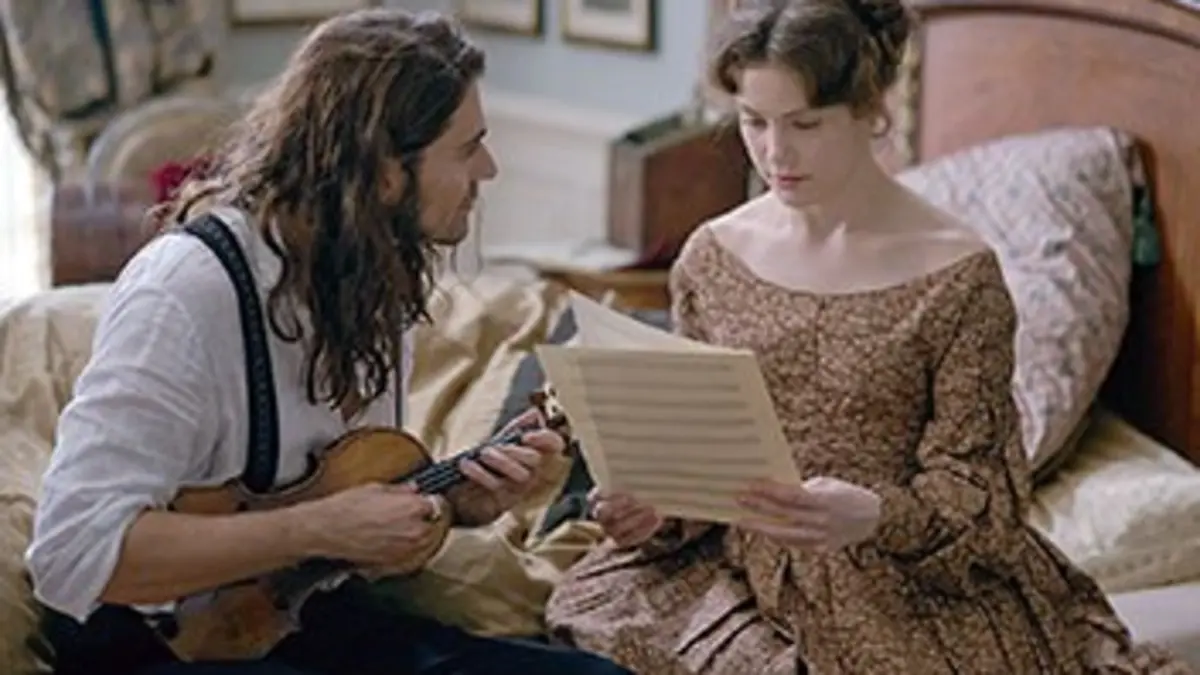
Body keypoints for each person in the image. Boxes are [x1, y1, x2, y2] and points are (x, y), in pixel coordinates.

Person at [543, 1, 1193, 673]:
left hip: (899, 577)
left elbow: (981, 494)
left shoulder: (956, 274)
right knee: (587, 613)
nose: (775, 152)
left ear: (870, 109)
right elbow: (700, 460)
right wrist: (658, 512)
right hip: (734, 564)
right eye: (754, 121)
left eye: (805, 124)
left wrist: (875, 515)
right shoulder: (712, 256)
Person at [25, 8, 632, 675]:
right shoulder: (186, 289)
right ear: (384, 171)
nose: (487, 169)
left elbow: (334, 520)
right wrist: (315, 529)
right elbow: (71, 553)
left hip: (303, 622)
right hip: (159, 645)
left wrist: (460, 501)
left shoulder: (376, 277)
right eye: (467, 148)